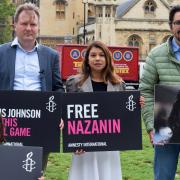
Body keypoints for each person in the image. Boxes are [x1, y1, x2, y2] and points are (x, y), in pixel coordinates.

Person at [0, 2, 64, 178]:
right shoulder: (1, 53)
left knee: (35, 173)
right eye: (24, 23)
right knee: (7, 172)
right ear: (15, 25)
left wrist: (57, 114)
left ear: (38, 27)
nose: (29, 28)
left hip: (40, 123)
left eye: (33, 24)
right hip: (7, 124)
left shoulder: (51, 56)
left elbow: (58, 88)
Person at [66, 41, 144, 180]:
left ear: (107, 59)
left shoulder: (119, 84)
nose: (97, 58)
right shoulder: (74, 83)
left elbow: (124, 115)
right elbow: (69, 115)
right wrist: (74, 142)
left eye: (102, 55)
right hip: (84, 146)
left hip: (110, 145)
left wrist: (137, 105)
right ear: (87, 59)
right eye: (93, 55)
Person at [139, 5, 180, 180]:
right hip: (166, 129)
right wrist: (149, 125)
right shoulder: (156, 55)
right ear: (171, 26)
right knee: (163, 177)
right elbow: (146, 91)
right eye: (179, 22)